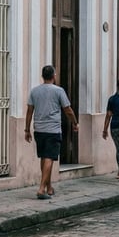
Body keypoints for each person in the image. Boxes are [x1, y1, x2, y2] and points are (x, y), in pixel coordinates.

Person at [25, 65, 78, 200]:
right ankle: (41, 189)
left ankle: (49, 188)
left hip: (39, 130)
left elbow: (30, 111)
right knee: (49, 157)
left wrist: (27, 129)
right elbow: (68, 110)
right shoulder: (59, 91)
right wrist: (75, 122)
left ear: (42, 76)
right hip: (52, 129)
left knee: (44, 157)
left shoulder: (34, 91)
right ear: (54, 76)